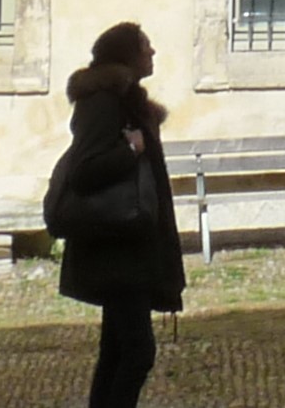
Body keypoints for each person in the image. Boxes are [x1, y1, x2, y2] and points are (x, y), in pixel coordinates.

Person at [54, 21, 185, 408]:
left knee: (116, 349)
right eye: (145, 46)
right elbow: (85, 171)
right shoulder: (104, 103)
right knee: (137, 352)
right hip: (117, 249)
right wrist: (131, 151)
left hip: (131, 247)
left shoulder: (126, 101)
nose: (153, 52)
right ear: (128, 55)